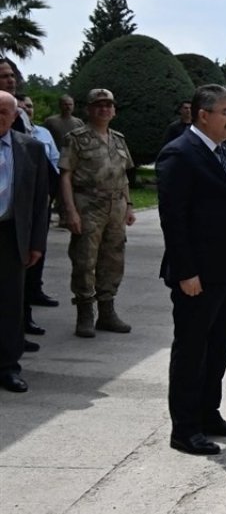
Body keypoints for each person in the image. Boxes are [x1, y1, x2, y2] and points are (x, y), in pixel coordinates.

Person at [157, 84, 226, 456]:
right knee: (192, 351)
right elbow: (174, 219)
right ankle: (184, 429)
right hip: (197, 275)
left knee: (218, 349)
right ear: (204, 115)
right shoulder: (179, 153)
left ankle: (208, 414)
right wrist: (186, 271)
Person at [60, 89, 136, 338]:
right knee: (85, 260)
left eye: (108, 105)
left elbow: (123, 175)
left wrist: (130, 205)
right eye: (99, 105)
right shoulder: (76, 138)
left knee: (113, 259)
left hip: (115, 207)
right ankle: (85, 313)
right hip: (87, 205)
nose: (104, 109)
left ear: (114, 110)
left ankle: (107, 311)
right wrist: (70, 211)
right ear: (89, 109)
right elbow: (66, 175)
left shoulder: (118, 139)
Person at [0, 91, 49, 393]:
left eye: (5, 112)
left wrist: (36, 243)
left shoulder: (31, 149)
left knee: (10, 304)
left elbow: (39, 203)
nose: (0, 117)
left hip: (10, 234)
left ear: (16, 116)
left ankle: (7, 367)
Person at [16, 94, 60, 345]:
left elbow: (51, 168)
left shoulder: (38, 138)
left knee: (30, 265)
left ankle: (21, 327)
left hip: (31, 210)